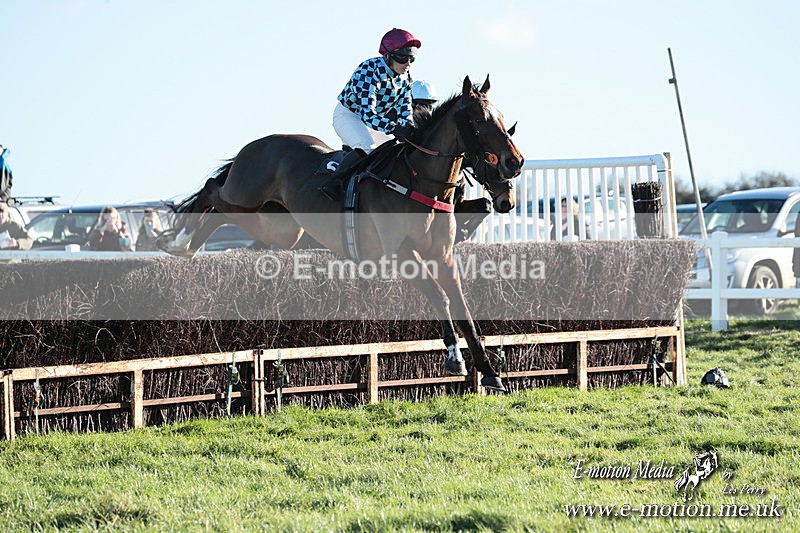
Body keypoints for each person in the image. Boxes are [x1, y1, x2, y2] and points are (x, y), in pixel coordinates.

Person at [319, 28, 420, 201]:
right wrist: (394, 128)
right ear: (388, 55)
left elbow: (405, 111)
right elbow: (367, 113)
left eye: (411, 58)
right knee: (367, 147)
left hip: (374, 122)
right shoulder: (369, 70)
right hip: (349, 116)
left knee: (396, 152)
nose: (408, 64)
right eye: (403, 57)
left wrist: (408, 128)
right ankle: (333, 183)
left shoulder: (406, 79)